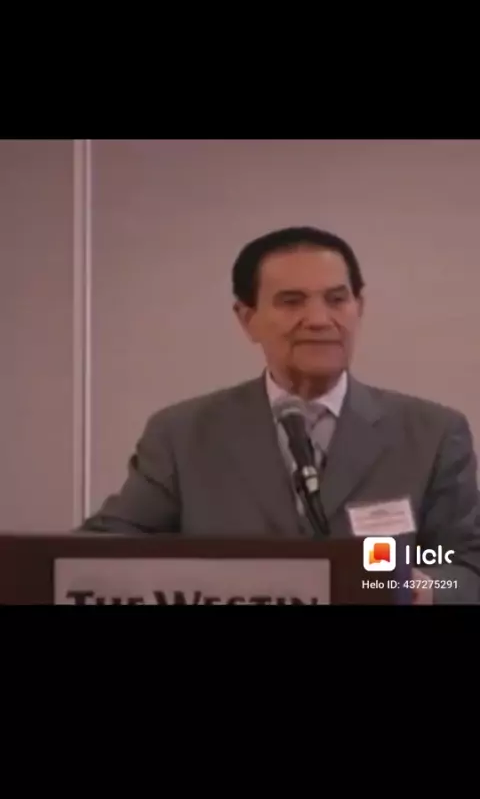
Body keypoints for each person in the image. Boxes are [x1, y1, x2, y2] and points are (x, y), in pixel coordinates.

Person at [80, 226, 480, 603]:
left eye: (336, 299)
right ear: (247, 319)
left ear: (359, 307)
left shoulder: (432, 434)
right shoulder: (182, 436)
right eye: (292, 302)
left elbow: (466, 567)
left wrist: (425, 588)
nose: (319, 320)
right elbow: (105, 548)